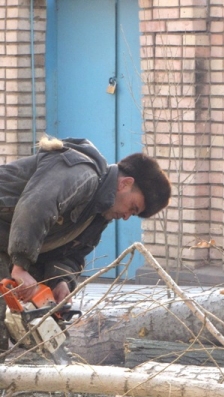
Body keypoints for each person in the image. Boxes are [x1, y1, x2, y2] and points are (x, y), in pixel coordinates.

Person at [0, 136, 171, 356]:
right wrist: (21, 266)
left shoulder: (97, 216)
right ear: (125, 183)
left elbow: (72, 255)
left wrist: (61, 281)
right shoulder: (81, 173)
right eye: (133, 208)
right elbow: (36, 207)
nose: (127, 217)